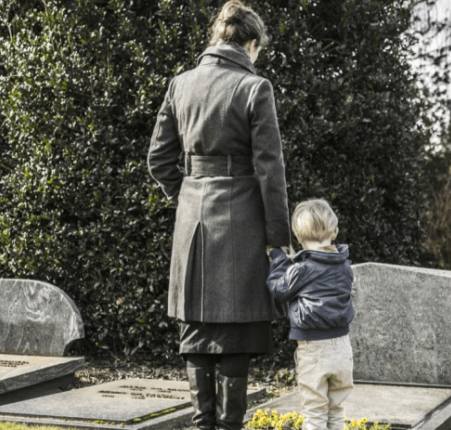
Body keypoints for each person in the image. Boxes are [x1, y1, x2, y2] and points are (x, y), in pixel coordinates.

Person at [147, 1, 291, 429]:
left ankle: (201, 424)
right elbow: (271, 171)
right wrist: (279, 238)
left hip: (191, 220)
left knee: (196, 328)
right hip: (242, 218)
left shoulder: (180, 84)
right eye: (258, 49)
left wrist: (187, 191)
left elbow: (158, 159)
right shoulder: (254, 88)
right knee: (236, 334)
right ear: (249, 43)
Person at [266, 199, 355, 430]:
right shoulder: (345, 265)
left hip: (313, 349)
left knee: (315, 413)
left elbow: (279, 289)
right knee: (335, 411)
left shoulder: (302, 269)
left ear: (298, 236)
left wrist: (278, 260)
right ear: (334, 231)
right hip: (342, 347)